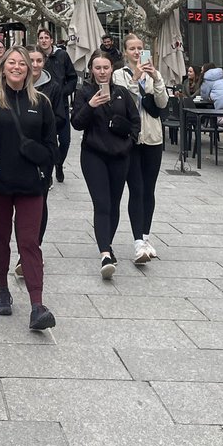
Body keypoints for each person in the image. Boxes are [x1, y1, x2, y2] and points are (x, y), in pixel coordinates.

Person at [0, 47, 58, 332]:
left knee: (29, 241)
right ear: (3, 67)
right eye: (12, 63)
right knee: (0, 236)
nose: (18, 67)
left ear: (30, 69)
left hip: (31, 184)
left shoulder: (41, 102)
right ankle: (2, 289)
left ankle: (37, 304)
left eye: (22, 63)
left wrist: (44, 164)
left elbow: (51, 144)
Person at [73, 49, 140, 278]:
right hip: (93, 155)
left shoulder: (121, 93)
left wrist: (130, 142)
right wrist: (90, 105)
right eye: (98, 68)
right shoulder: (84, 93)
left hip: (120, 156)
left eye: (106, 67)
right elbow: (77, 124)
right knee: (102, 204)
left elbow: (135, 122)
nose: (102, 72)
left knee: (114, 204)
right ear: (91, 70)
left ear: (112, 69)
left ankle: (108, 244)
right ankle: (104, 254)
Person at [114, 34, 169, 265]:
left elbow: (163, 103)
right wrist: (136, 78)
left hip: (153, 138)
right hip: (132, 139)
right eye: (132, 49)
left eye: (140, 49)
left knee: (149, 189)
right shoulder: (119, 75)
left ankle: (146, 236)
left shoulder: (153, 74)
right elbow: (123, 100)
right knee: (136, 188)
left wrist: (156, 78)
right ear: (125, 52)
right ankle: (138, 241)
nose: (137, 53)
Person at [26, 46, 68, 269]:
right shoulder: (14, 84)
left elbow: (61, 119)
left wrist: (44, 118)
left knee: (40, 201)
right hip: (17, 151)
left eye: (39, 61)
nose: (35, 65)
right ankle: (26, 247)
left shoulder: (53, 87)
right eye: (30, 60)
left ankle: (34, 247)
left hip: (43, 152)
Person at [36, 29, 76, 181]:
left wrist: (63, 92)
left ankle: (58, 163)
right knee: (46, 140)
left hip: (61, 105)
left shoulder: (62, 55)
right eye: (41, 38)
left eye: (47, 37)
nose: (44, 40)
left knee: (65, 141)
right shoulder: (36, 57)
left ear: (51, 40)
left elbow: (72, 78)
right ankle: (48, 168)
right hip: (43, 105)